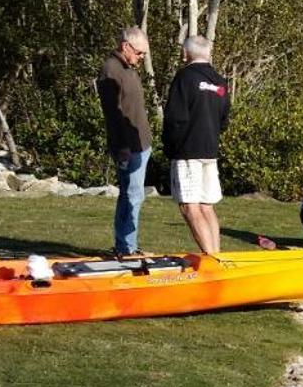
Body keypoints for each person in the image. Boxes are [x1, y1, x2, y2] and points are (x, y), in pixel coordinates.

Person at [162, 34, 232, 256]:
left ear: (186, 54)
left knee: (189, 206)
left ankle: (211, 259)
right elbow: (224, 119)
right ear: (208, 53)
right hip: (210, 150)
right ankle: (217, 255)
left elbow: (174, 117)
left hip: (187, 151)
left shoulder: (185, 78)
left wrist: (169, 146)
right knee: (207, 205)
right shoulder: (220, 81)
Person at [95, 26, 152, 256]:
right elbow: (113, 114)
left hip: (142, 143)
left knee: (132, 194)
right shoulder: (111, 71)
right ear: (126, 46)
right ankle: (127, 246)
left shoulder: (128, 68)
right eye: (139, 53)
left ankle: (125, 243)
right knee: (132, 196)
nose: (141, 58)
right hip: (128, 146)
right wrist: (122, 147)